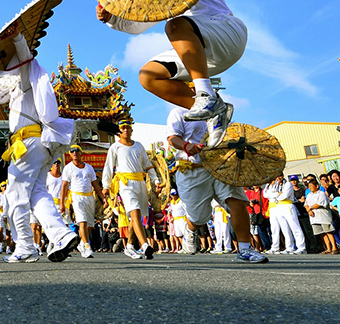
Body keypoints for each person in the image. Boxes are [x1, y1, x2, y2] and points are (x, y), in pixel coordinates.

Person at [0, 22, 80, 263]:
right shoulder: (16, 90)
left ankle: (25, 246)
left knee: (15, 197)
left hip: (27, 145)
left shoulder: (26, 79)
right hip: (39, 147)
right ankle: (60, 235)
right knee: (37, 194)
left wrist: (17, 39)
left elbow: (25, 60)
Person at [97, 0, 243, 147]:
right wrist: (111, 18)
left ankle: (205, 94)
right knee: (148, 76)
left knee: (174, 25)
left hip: (226, 34)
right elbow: (136, 24)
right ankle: (215, 112)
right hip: (200, 54)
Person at [166, 106, 268, 263]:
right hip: (192, 170)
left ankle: (245, 249)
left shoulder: (216, 108)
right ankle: (191, 229)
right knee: (199, 218)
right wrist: (186, 146)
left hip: (221, 166)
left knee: (237, 202)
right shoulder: (178, 112)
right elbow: (172, 138)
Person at [101, 120, 162, 260]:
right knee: (134, 214)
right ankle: (145, 245)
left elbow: (147, 166)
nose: (126, 130)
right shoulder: (115, 147)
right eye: (123, 128)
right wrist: (105, 186)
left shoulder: (139, 146)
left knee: (136, 217)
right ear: (119, 131)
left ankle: (129, 246)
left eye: (128, 127)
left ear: (132, 130)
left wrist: (156, 181)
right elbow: (108, 168)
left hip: (140, 183)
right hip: (125, 184)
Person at [61, 145, 103, 259]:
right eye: (72, 151)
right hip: (76, 196)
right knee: (82, 221)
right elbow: (64, 186)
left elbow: (95, 184)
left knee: (89, 225)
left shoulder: (89, 168)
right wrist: (62, 203)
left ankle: (81, 243)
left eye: (77, 151)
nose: (74, 153)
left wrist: (103, 198)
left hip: (89, 197)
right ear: (70, 154)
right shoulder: (68, 168)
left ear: (81, 153)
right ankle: (87, 245)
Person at [263, 175, 306, 255]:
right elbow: (265, 195)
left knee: (295, 227)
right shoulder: (272, 185)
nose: (278, 178)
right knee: (284, 229)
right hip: (278, 206)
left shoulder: (287, 184)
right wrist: (277, 194)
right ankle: (289, 247)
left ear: (282, 176)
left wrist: (274, 195)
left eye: (280, 176)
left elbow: (284, 196)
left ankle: (301, 247)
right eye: (277, 176)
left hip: (287, 205)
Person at [304, 177, 337, 254]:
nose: (310, 188)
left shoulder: (321, 194)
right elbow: (306, 204)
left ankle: (334, 247)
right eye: (309, 186)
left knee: (328, 232)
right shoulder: (309, 195)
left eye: (312, 186)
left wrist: (310, 208)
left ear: (317, 186)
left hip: (323, 216)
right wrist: (308, 210)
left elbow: (319, 204)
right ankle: (328, 248)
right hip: (314, 217)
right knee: (322, 233)